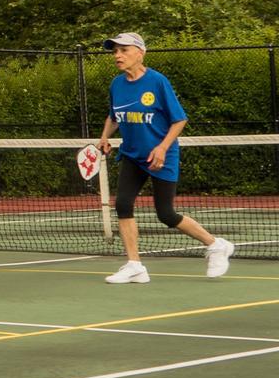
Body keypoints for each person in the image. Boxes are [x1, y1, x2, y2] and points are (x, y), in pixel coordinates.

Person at [97, 32, 233, 284]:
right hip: (132, 156)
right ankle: (135, 266)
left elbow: (179, 119)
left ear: (140, 53)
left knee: (166, 214)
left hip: (161, 156)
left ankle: (216, 245)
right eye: (115, 51)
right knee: (123, 205)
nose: (117, 55)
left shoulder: (158, 82)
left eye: (124, 50)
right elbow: (114, 116)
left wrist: (161, 148)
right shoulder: (116, 84)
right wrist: (105, 136)